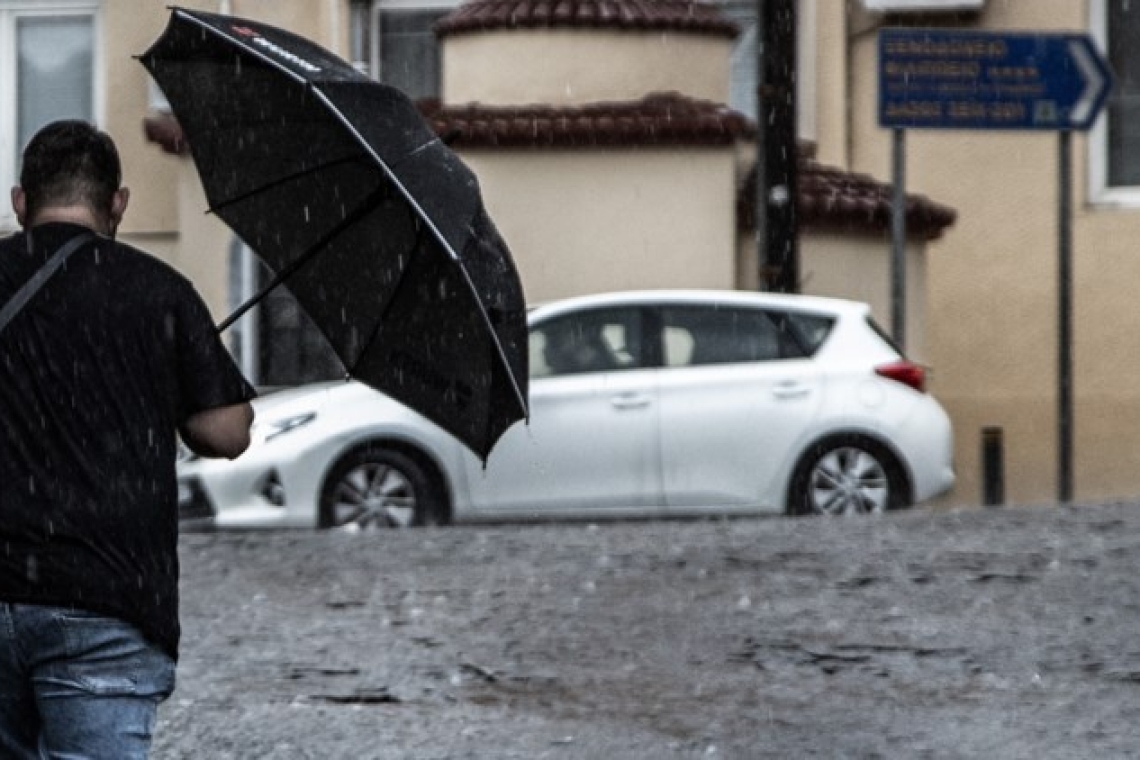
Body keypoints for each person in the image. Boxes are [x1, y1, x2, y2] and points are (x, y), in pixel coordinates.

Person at [0, 120, 256, 758]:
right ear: (117, 204)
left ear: (19, 202)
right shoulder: (158, 292)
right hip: (106, 600)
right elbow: (226, 433)